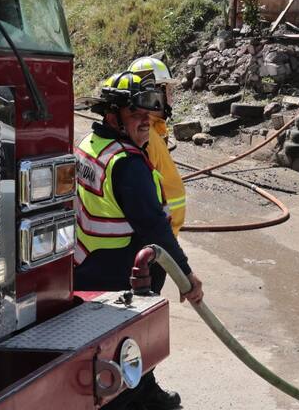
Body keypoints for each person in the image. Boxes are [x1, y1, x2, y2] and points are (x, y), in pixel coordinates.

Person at [74, 71, 203, 410]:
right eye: (135, 113)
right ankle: (134, 396)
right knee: (124, 350)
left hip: (87, 265)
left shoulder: (89, 144)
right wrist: (186, 276)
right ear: (112, 115)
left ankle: (144, 388)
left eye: (149, 114)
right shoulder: (126, 163)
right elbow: (155, 229)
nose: (145, 122)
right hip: (119, 276)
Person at [129, 55, 187, 236]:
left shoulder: (151, 130)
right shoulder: (146, 137)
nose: (171, 98)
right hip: (158, 239)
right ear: (154, 95)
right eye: (168, 90)